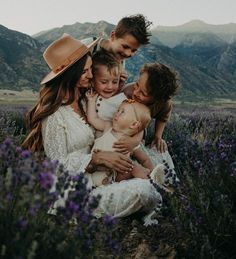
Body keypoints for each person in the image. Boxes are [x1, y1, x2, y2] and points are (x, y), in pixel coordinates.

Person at [22, 34, 162, 224]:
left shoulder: (87, 99)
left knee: (155, 159)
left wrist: (134, 139)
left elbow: (128, 116)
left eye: (90, 69)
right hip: (75, 192)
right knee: (144, 191)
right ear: (70, 75)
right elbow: (56, 167)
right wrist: (95, 158)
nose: (91, 75)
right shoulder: (55, 116)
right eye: (85, 71)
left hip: (104, 177)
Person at [86, 94, 167, 189]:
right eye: (118, 110)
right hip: (94, 169)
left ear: (134, 124)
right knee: (134, 168)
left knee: (133, 168)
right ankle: (152, 180)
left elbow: (145, 159)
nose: (117, 113)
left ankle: (152, 179)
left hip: (115, 177)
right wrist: (91, 101)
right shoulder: (107, 127)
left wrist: (151, 169)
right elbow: (92, 119)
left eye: (122, 112)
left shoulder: (130, 144)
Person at [114, 62, 179, 155]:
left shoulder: (164, 104)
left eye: (143, 93)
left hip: (139, 126)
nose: (136, 92)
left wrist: (157, 137)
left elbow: (162, 118)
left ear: (158, 99)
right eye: (137, 84)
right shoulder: (128, 93)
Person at [82, 14, 152, 88]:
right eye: (125, 46)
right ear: (113, 36)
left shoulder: (120, 60)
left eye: (134, 50)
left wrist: (118, 83)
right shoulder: (87, 46)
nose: (128, 53)